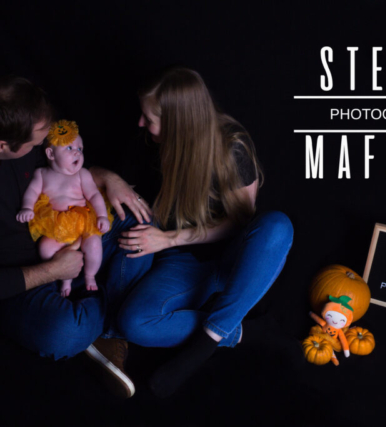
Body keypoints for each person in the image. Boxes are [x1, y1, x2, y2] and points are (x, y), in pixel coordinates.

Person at [0, 76, 153, 399]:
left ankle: (106, 322)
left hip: (70, 233)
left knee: (140, 222)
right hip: (20, 283)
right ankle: (113, 314)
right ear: (2, 146)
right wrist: (54, 271)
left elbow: (68, 174)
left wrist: (107, 177)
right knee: (63, 333)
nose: (43, 147)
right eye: (34, 143)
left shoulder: (14, 120)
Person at [115, 67, 295, 398]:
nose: (141, 123)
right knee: (134, 323)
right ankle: (238, 331)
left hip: (231, 262)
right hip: (183, 262)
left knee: (277, 226)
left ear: (177, 121)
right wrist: (108, 179)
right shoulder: (153, 142)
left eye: (149, 118)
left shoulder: (232, 147)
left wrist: (169, 238)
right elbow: (122, 183)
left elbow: (242, 223)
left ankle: (203, 346)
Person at [16, 119, 111, 296]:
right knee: (45, 247)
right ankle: (65, 277)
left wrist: (102, 216)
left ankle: (90, 275)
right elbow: (32, 192)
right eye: (70, 148)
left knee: (95, 244)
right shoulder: (42, 174)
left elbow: (94, 195)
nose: (77, 153)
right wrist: (27, 208)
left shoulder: (82, 174)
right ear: (50, 154)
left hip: (83, 224)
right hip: (56, 227)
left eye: (80, 149)